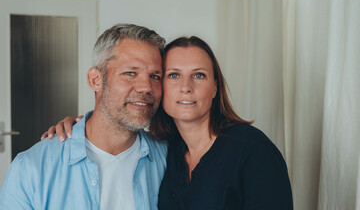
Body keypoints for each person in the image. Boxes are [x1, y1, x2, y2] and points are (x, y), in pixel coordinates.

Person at [45, 36, 293, 209]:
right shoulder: (165, 149)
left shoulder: (253, 153)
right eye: (173, 75)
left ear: (215, 87)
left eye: (199, 75)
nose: (186, 87)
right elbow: (111, 125)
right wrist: (78, 126)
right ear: (160, 86)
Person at [0, 24, 168, 210]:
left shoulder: (170, 159)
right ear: (95, 80)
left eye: (155, 76)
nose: (146, 87)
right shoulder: (31, 169)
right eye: (130, 73)